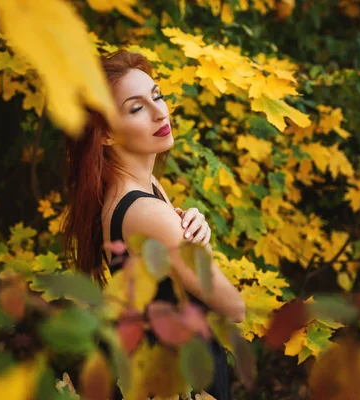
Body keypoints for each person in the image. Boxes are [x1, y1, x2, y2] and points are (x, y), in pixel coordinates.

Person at [62, 50, 245, 399]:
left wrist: (193, 228)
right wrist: (200, 248)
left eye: (157, 95)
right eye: (136, 108)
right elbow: (235, 308)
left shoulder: (137, 190)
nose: (160, 112)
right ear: (106, 136)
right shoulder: (144, 210)